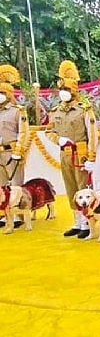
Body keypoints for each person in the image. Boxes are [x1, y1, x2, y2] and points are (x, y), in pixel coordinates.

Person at [45, 60, 96, 238]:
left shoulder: (84, 110)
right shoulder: (56, 111)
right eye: (61, 89)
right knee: (70, 188)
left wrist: (92, 157)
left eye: (66, 89)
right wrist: (58, 140)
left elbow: (92, 134)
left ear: (74, 90)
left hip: (81, 154)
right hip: (64, 154)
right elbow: (48, 131)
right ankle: (77, 222)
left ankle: (87, 223)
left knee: (84, 189)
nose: (63, 92)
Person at [0, 64, 28, 229]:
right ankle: (5, 214)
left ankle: (18, 214)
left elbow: (23, 132)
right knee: (1, 185)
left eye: (2, 92)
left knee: (16, 184)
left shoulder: (17, 111)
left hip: (12, 152)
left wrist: (18, 151)